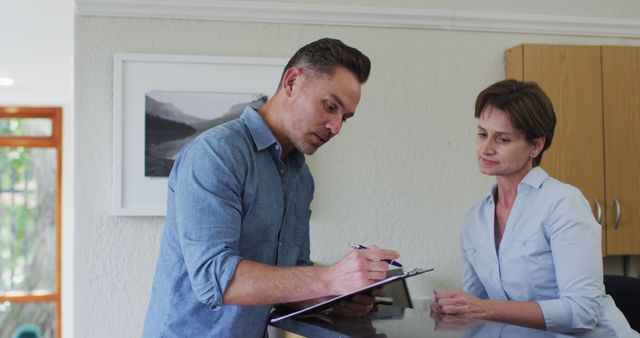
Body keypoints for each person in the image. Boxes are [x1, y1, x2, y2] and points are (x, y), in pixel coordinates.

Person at [142, 38, 400, 337]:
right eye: (330, 106)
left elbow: (290, 282)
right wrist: (330, 278)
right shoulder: (216, 154)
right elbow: (215, 278)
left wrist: (337, 296)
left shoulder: (302, 179)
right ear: (292, 82)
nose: (336, 126)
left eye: (345, 117)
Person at [430, 79, 639, 337]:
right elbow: (479, 313)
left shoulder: (563, 204)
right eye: (482, 134)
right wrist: (455, 311)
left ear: (536, 146)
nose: (486, 148)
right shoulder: (475, 219)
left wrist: (483, 309)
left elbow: (582, 312)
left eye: (503, 139)